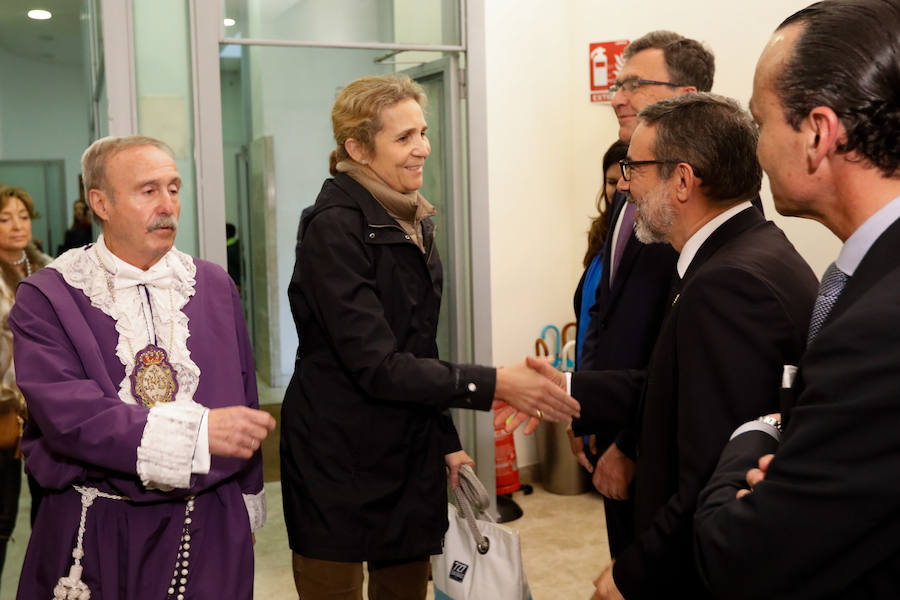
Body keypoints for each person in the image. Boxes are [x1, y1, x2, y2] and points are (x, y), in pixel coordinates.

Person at [280, 74, 579, 600]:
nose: (423, 148)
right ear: (357, 147)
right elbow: (377, 364)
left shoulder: (409, 216)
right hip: (337, 459)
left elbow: (416, 347)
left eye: (423, 132)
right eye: (404, 138)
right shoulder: (334, 226)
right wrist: (495, 384)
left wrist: (446, 442)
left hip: (406, 447)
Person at [528, 93, 817, 599]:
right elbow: (671, 385)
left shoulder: (730, 284)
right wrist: (565, 386)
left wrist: (631, 571)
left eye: (633, 167)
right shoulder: (737, 256)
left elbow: (711, 470)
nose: (623, 184)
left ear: (682, 180)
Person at [11, 135, 277, 599]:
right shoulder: (49, 294)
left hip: (210, 520)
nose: (168, 204)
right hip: (100, 528)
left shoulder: (212, 282)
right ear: (101, 203)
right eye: (148, 190)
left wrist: (247, 501)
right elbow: (69, 416)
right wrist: (195, 433)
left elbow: (243, 399)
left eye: (174, 188)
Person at [694, 2, 900, 597]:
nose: (756, 151)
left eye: (761, 125)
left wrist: (758, 436)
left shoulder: (876, 330)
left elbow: (740, 555)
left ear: (816, 134)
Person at [573, 30, 711, 561]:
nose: (617, 98)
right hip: (611, 419)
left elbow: (669, 345)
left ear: (686, 95)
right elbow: (605, 314)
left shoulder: (698, 197)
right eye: (616, 84)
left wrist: (628, 444)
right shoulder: (629, 191)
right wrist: (584, 411)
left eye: (634, 84)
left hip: (653, 443)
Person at [0, 185, 51, 589]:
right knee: (1, 519)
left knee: (49, 507)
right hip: (2, 412)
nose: (17, 225)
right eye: (4, 218)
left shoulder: (47, 269)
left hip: (43, 409)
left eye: (23, 216)